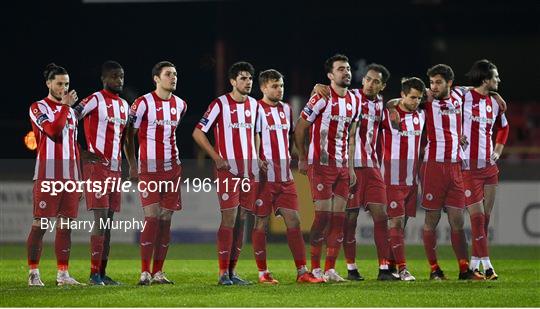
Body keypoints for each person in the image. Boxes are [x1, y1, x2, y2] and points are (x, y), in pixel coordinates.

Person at [312, 63, 396, 280]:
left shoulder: (381, 104)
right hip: (351, 165)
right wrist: (318, 86)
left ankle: (384, 268)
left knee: (382, 215)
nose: (369, 84)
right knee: (350, 218)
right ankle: (351, 267)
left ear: (382, 86)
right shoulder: (353, 97)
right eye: (367, 79)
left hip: (372, 166)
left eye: (376, 81)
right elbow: (330, 93)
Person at [251, 69, 324, 284]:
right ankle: (263, 273)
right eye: (274, 86)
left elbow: (291, 135)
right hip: (264, 178)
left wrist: (298, 155)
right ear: (263, 87)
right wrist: (256, 158)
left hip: (285, 178)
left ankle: (302, 272)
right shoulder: (255, 109)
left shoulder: (285, 108)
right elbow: (250, 136)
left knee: (294, 221)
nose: (279, 89)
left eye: (281, 85)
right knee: (261, 223)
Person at [193, 61, 258, 285]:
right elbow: (198, 133)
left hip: (249, 172)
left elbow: (255, 134)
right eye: (243, 78)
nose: (248, 82)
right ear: (232, 81)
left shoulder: (255, 105)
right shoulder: (220, 104)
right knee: (229, 218)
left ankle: (232, 271)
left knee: (242, 219)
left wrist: (258, 157)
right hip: (228, 171)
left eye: (250, 78)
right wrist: (217, 157)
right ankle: (222, 273)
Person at [294, 54, 358, 282]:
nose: (346, 72)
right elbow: (300, 127)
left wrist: (350, 167)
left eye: (348, 68)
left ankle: (330, 269)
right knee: (322, 218)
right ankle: (315, 268)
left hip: (342, 168)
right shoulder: (321, 97)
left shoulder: (355, 100)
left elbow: (351, 136)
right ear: (330, 75)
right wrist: (302, 157)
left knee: (339, 219)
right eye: (341, 69)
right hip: (320, 165)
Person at [125, 61, 187, 285]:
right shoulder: (142, 103)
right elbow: (128, 136)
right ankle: (144, 272)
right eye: (169, 74)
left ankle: (158, 272)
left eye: (175, 74)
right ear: (156, 79)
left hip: (172, 169)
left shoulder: (181, 105)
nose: (174, 78)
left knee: (165, 219)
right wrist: (132, 164)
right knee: (151, 217)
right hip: (149, 170)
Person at [419, 64, 483, 280]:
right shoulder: (426, 100)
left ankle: (464, 270)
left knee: (458, 221)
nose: (433, 87)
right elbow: (396, 100)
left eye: (438, 82)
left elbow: (479, 88)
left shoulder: (459, 95)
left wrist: (494, 94)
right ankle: (434, 269)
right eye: (431, 83)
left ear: (449, 84)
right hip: (433, 167)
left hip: (456, 166)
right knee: (431, 220)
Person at [74, 60, 129, 285]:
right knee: (101, 219)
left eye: (122, 76)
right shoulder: (94, 99)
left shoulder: (125, 106)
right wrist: (81, 152)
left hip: (115, 170)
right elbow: (69, 119)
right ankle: (93, 274)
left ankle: (102, 272)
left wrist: (128, 163)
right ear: (104, 79)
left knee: (108, 223)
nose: (119, 80)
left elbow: (125, 139)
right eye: (115, 76)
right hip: (96, 168)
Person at [27, 63, 82, 286]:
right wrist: (66, 107)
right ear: (48, 83)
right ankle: (33, 273)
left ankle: (63, 274)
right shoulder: (38, 107)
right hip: (47, 175)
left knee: (66, 225)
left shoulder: (70, 113)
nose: (63, 88)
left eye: (67, 84)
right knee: (41, 225)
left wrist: (79, 178)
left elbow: (73, 145)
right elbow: (52, 131)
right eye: (59, 83)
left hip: (70, 177)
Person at [461, 59, 509, 280]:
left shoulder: (495, 104)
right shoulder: (463, 96)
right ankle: (488, 266)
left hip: (489, 167)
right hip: (468, 168)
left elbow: (504, 128)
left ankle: (473, 265)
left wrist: (498, 151)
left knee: (485, 220)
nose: (498, 80)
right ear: (485, 79)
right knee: (478, 218)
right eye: (495, 77)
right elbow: (441, 92)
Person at [381, 77, 427, 281]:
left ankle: (390, 267)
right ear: (402, 95)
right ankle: (403, 269)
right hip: (392, 179)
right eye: (412, 97)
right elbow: (384, 104)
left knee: (402, 225)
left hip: (411, 180)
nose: (415, 101)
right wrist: (391, 105)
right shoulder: (389, 115)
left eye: (418, 98)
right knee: (396, 223)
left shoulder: (422, 115)